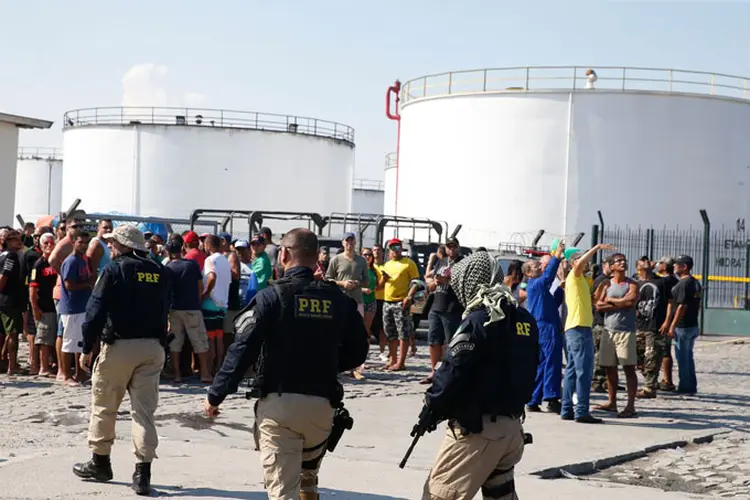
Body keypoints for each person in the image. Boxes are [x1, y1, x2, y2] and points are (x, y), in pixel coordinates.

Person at [204, 228, 369, 500]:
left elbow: (242, 348)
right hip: (322, 409)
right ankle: (308, 483)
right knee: (307, 477)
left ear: (283, 255)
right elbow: (359, 351)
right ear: (317, 258)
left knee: (282, 492)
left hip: (280, 408)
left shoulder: (271, 297)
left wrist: (216, 394)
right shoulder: (338, 300)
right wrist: (325, 364)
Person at [419, 251, 539, 499]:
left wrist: (432, 404)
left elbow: (452, 370)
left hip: (479, 431)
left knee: (438, 495)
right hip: (511, 429)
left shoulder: (479, 319)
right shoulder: (523, 318)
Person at [72, 224, 172, 496]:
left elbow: (95, 309)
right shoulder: (160, 271)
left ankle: (100, 462)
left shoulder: (114, 269)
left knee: (104, 405)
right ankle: (143, 473)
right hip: (152, 347)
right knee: (144, 412)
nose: (111, 247)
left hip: (120, 345)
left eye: (113, 243)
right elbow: (166, 309)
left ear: (123, 244)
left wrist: (86, 346)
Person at [561, 243, 614, 424]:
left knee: (572, 371)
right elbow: (578, 264)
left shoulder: (581, 281)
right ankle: (581, 410)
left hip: (576, 327)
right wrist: (597, 247)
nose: (587, 263)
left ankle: (567, 408)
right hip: (579, 327)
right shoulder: (574, 275)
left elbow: (589, 301)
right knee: (584, 371)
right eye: (583, 260)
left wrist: (601, 290)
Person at [594, 253, 639, 418]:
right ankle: (612, 402)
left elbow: (631, 302)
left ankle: (630, 405)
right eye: (618, 261)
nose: (622, 263)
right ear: (611, 266)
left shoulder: (632, 283)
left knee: (628, 369)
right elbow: (598, 305)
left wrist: (610, 301)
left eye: (624, 261)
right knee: (609, 369)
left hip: (626, 331)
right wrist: (619, 303)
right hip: (608, 330)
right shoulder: (606, 284)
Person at [524, 242, 566, 414]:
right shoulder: (536, 284)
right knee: (552, 362)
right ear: (528, 273)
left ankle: (534, 398)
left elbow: (551, 303)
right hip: (546, 327)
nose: (540, 267)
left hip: (543, 325)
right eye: (536, 266)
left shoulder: (538, 288)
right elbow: (548, 276)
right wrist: (557, 256)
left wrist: (560, 290)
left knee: (542, 364)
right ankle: (552, 397)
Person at [423, 237, 464, 384]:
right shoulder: (442, 261)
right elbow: (432, 283)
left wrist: (449, 281)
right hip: (437, 305)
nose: (451, 249)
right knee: (433, 340)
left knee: (450, 342)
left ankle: (449, 372)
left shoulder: (462, 262)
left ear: (458, 247)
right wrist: (435, 282)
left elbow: (464, 283)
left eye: (454, 247)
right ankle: (434, 371)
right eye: (449, 247)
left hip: (452, 307)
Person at [379, 238, 419, 371]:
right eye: (392, 248)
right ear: (389, 250)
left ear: (401, 248)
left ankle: (401, 362)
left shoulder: (408, 263)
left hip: (401, 302)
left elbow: (415, 282)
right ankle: (393, 360)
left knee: (403, 333)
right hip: (387, 301)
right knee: (390, 332)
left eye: (397, 247)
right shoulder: (387, 264)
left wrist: (409, 296)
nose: (395, 250)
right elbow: (381, 285)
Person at [634, 256, 672, 398]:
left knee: (652, 356)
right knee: (637, 357)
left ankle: (649, 388)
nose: (647, 261)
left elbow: (670, 302)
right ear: (637, 266)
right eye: (643, 260)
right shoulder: (636, 283)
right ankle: (652, 380)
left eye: (648, 260)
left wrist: (667, 322)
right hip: (639, 325)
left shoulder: (661, 282)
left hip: (655, 325)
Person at [667, 255, 702, 395]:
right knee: (688, 356)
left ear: (685, 267)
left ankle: (685, 387)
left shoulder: (684, 283)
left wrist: (672, 325)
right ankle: (690, 385)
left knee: (683, 357)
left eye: (677, 264)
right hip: (691, 324)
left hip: (683, 326)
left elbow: (682, 306)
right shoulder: (694, 282)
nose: (674, 266)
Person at [0, 229, 26, 375]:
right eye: (16, 239)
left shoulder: (1, 255)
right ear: (8, 241)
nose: (19, 242)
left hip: (4, 299)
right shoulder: (11, 256)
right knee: (13, 333)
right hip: (9, 300)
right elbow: (4, 276)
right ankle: (12, 365)